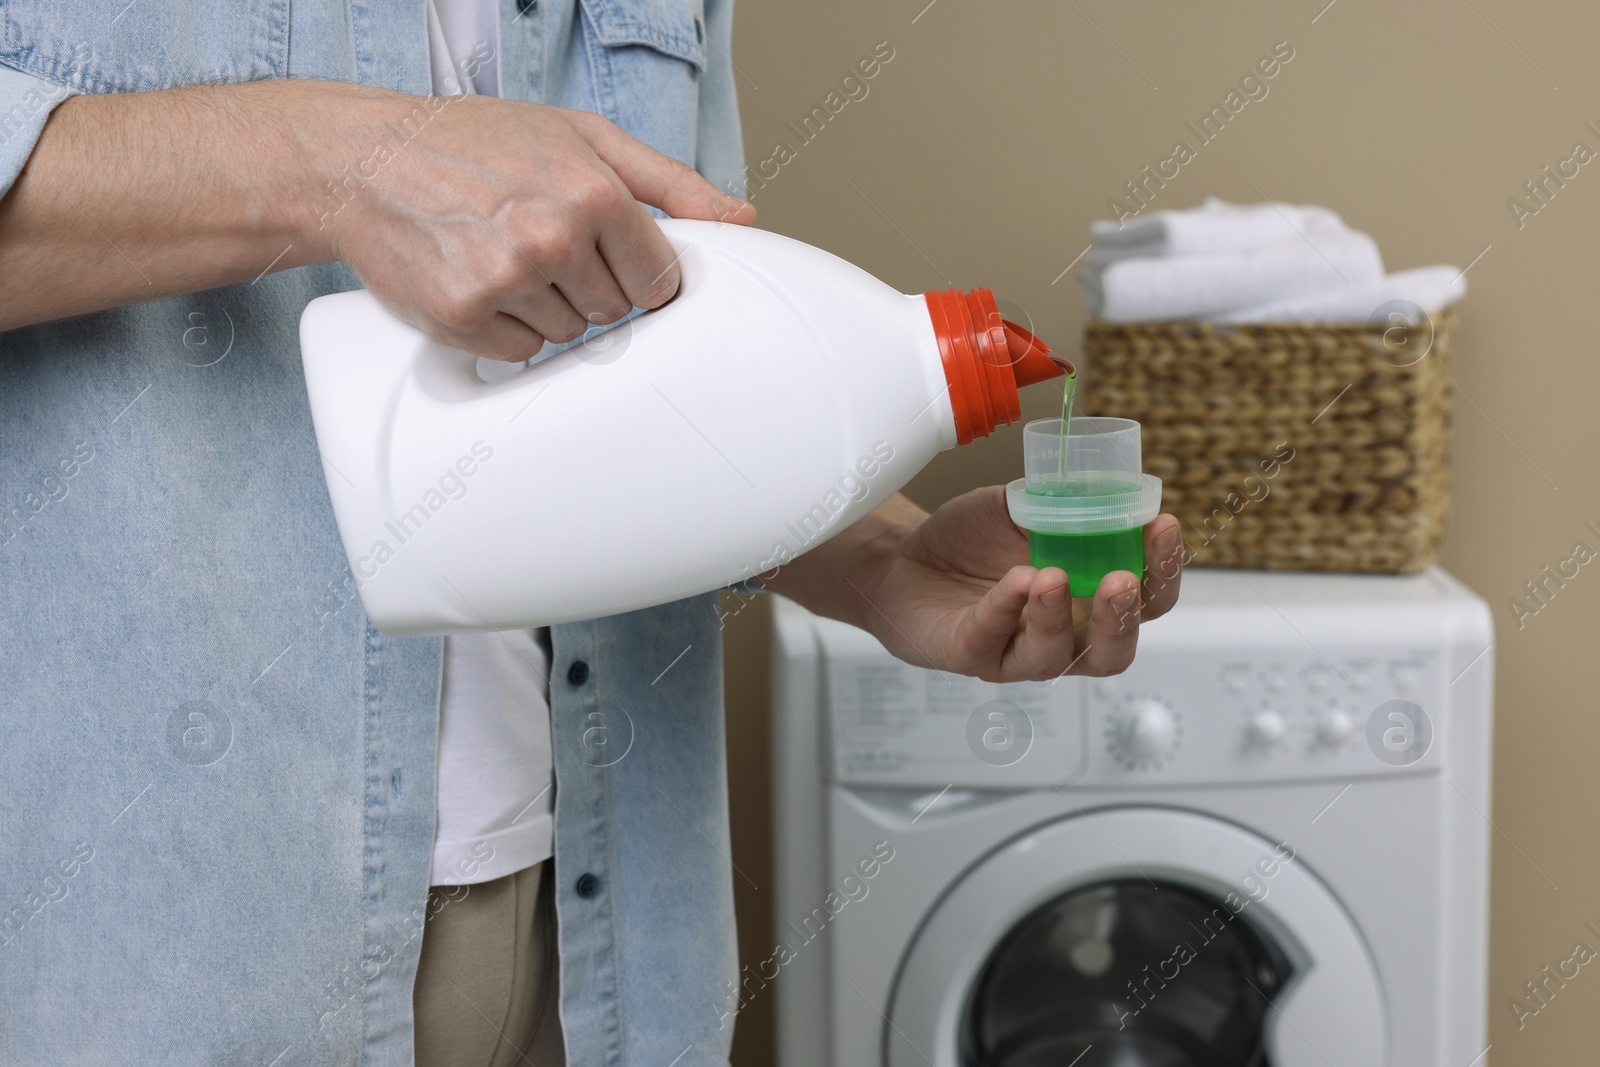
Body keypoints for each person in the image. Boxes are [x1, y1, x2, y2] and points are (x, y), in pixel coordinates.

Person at [0, 2, 1185, 1064]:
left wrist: (877, 561)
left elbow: (675, 397)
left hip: (600, 944)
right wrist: (339, 162)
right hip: (166, 939)